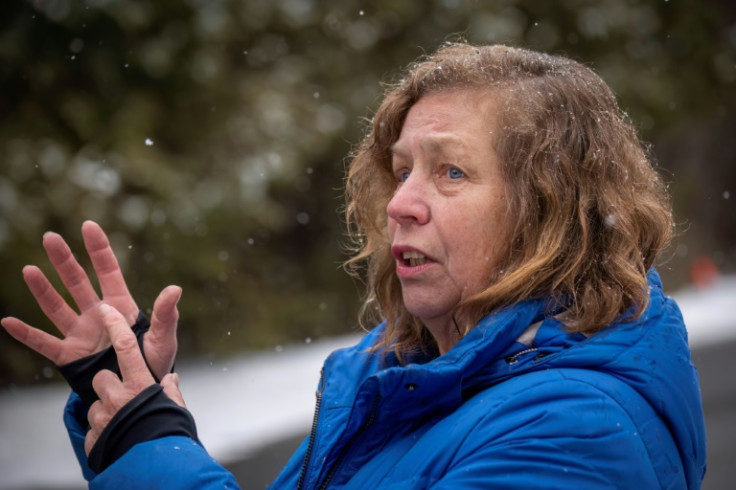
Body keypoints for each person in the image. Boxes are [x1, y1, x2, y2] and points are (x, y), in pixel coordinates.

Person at [2, 42, 707, 489]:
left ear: (552, 209)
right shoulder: (402, 380)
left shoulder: (575, 430)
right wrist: (127, 404)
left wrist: (154, 450)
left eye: (451, 172)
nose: (401, 202)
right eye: (401, 172)